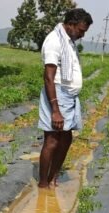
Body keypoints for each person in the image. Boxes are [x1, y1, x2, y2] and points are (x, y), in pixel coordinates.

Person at [37, 8, 93, 188]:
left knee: (66, 138)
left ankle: (53, 175)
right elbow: (48, 77)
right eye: (81, 30)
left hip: (69, 96)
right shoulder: (54, 41)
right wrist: (55, 110)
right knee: (52, 139)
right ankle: (43, 183)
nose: (82, 35)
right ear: (71, 24)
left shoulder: (68, 41)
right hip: (58, 95)